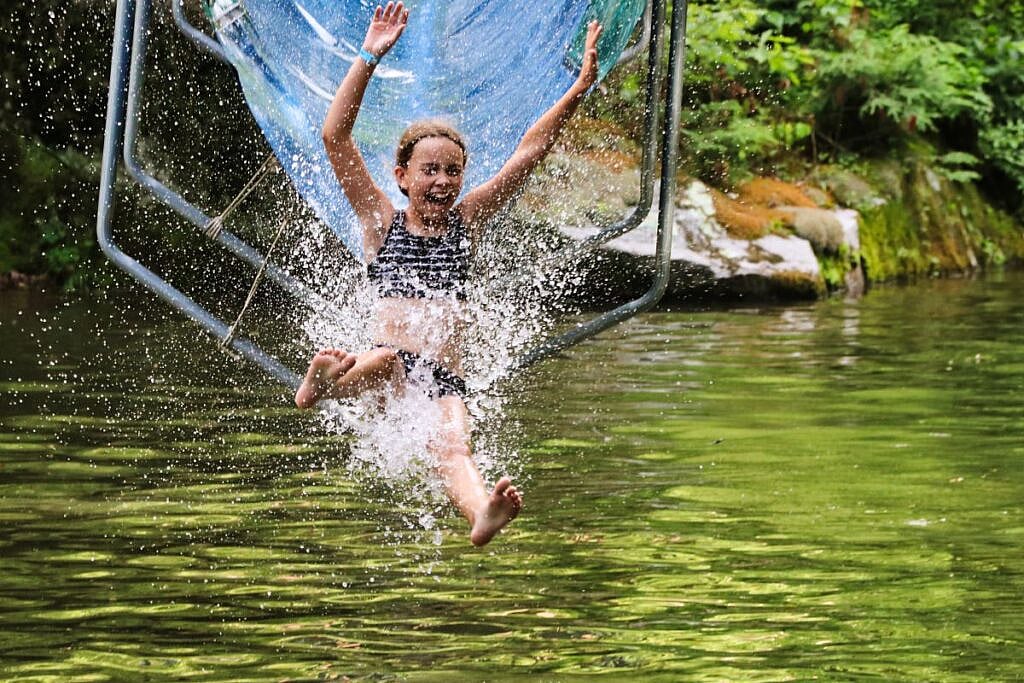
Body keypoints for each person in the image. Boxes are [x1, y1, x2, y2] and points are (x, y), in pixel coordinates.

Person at [294, 2, 602, 546]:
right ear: (402, 177)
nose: (442, 180)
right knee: (387, 358)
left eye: (452, 170)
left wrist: (576, 91)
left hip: (441, 380)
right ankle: (321, 386)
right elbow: (335, 138)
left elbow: (528, 152)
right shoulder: (380, 223)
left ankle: (480, 512)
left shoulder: (468, 222)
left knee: (455, 444)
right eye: (429, 170)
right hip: (384, 372)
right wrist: (368, 55)